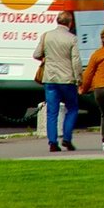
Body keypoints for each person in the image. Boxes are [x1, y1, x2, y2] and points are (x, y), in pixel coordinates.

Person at [33, 11, 80, 152]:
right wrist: (79, 79)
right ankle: (66, 138)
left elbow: (36, 54)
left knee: (51, 112)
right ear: (70, 23)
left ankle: (52, 142)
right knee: (72, 108)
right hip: (67, 79)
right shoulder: (72, 39)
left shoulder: (46, 36)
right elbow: (76, 61)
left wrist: (46, 59)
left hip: (50, 78)